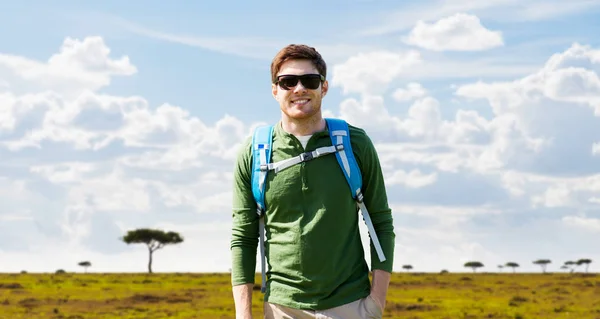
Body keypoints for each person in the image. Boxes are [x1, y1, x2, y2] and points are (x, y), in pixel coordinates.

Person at [230, 44, 395, 319]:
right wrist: (243, 314)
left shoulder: (355, 144)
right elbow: (242, 237)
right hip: (281, 307)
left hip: (350, 303)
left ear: (324, 88)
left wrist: (376, 302)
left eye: (310, 80)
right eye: (287, 82)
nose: (299, 88)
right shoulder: (254, 152)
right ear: (275, 91)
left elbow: (380, 223)